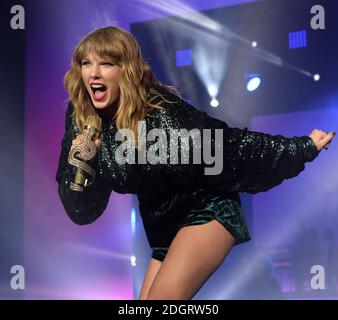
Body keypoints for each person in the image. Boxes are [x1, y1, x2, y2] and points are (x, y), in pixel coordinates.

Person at [55, 25, 335, 300]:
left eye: (106, 63)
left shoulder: (160, 113)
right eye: (86, 63)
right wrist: (83, 164)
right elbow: (81, 210)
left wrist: (303, 147)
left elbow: (230, 147)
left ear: (126, 70)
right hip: (161, 222)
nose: (93, 73)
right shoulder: (82, 116)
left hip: (206, 208)